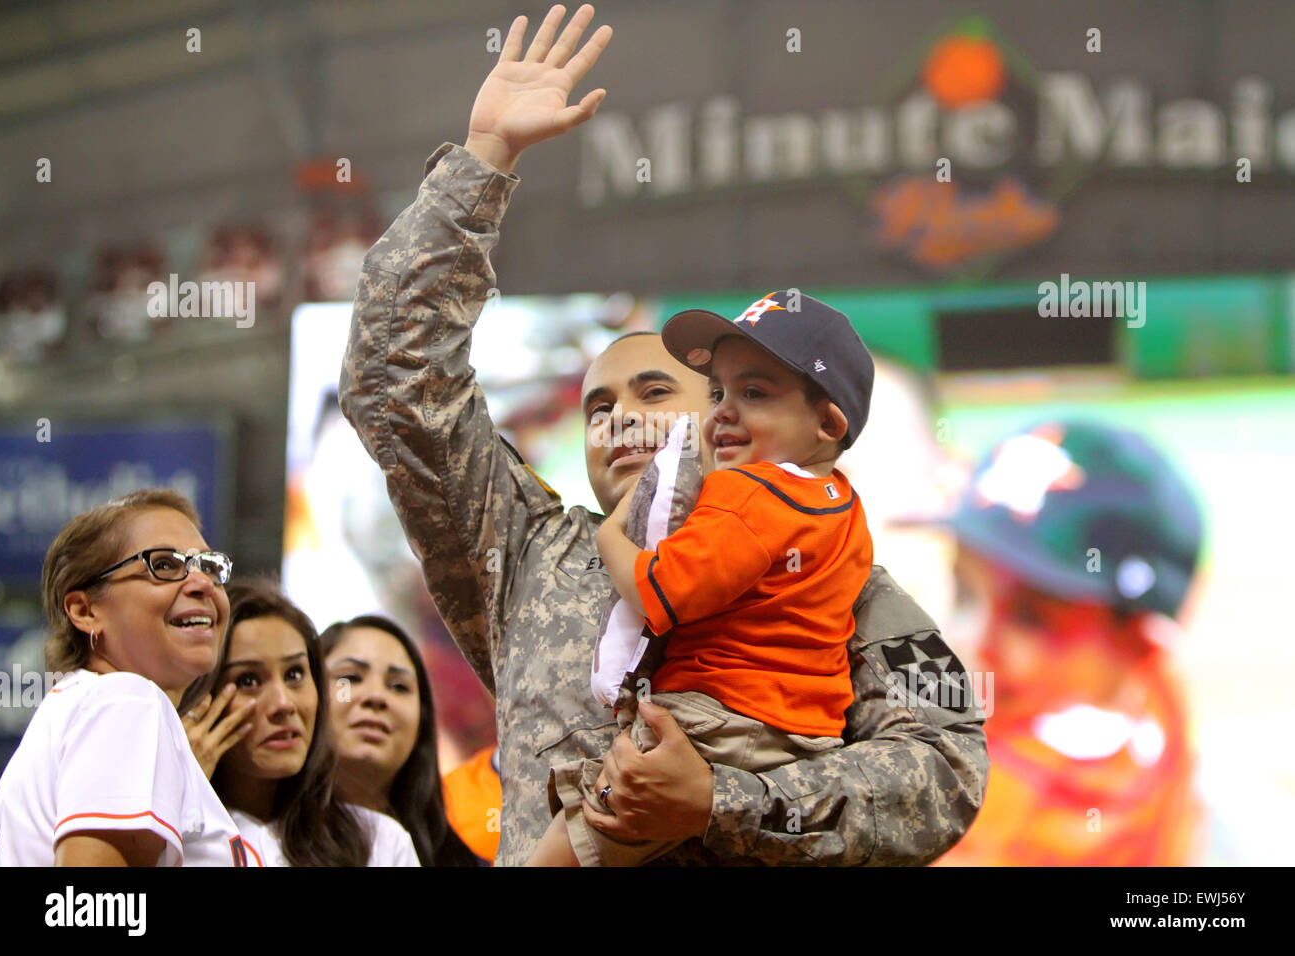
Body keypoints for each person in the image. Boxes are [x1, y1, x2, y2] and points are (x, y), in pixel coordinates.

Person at [340, 3, 988, 865]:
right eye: (598, 407)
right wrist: (484, 161)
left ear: (726, 416)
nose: (619, 417)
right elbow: (393, 384)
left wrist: (724, 801)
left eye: (657, 389)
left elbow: (945, 771)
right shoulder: (525, 551)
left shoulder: (833, 570)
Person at [529, 292, 877, 865]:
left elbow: (661, 591)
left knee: (555, 856)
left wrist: (611, 538)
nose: (723, 412)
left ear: (827, 422)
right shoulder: (844, 506)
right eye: (717, 392)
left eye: (754, 393)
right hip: (803, 738)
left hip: (713, 721)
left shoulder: (748, 492)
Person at [930, 420, 1206, 865]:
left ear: (1138, 643)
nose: (968, 641)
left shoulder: (988, 824)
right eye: (963, 592)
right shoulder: (1157, 704)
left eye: (1031, 617)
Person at [0, 489, 257, 866]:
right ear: (86, 610)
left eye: (209, 566)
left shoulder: (89, 705)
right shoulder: (127, 700)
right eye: (164, 565)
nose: (202, 583)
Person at [181, 580, 418, 866]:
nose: (283, 704)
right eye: (248, 680)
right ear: (201, 698)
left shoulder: (380, 843)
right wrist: (181, 789)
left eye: (294, 675)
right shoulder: (170, 832)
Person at [318, 615, 479, 866]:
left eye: (399, 686)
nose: (376, 696)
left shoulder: (458, 860)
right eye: (350, 678)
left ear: (422, 719)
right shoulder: (258, 837)